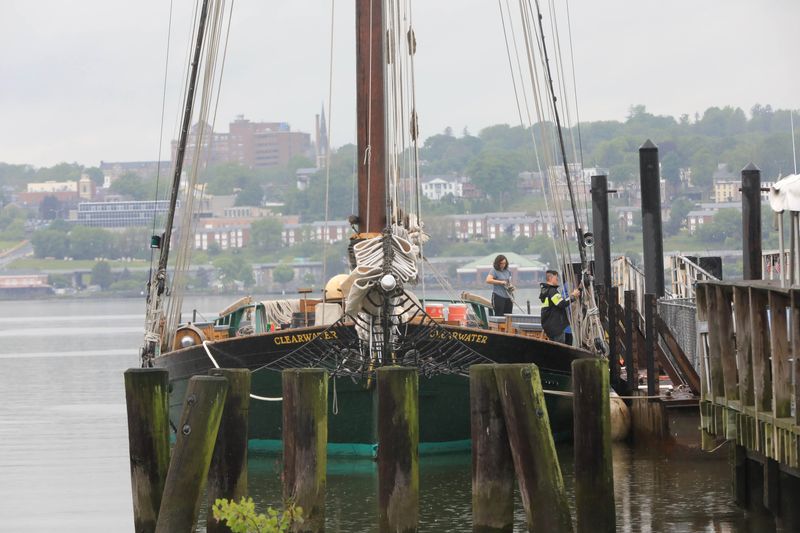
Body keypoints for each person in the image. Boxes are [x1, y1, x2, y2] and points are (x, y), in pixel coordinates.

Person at [539, 269, 580, 344]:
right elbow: (562, 303)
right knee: (560, 346)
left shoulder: (545, 291)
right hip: (556, 327)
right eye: (556, 278)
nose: (557, 280)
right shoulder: (552, 291)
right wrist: (573, 296)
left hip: (549, 327)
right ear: (550, 278)